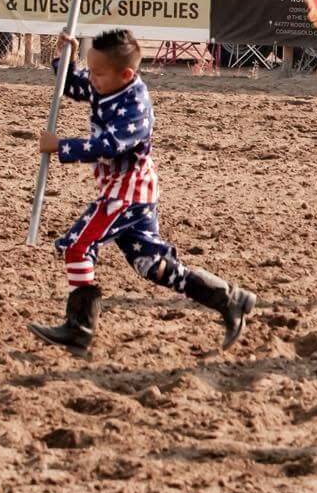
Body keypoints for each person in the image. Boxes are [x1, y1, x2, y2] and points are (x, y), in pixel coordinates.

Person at [26, 28, 255, 356]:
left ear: (126, 74)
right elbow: (74, 85)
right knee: (152, 265)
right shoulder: (106, 85)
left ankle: (79, 328)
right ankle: (229, 298)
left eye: (98, 73)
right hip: (129, 192)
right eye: (91, 70)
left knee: (77, 247)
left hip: (127, 193)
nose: (92, 79)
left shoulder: (135, 105)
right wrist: (65, 58)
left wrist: (62, 146)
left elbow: (110, 145)